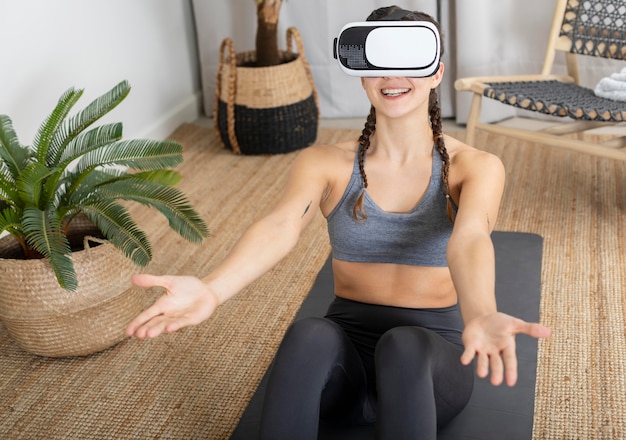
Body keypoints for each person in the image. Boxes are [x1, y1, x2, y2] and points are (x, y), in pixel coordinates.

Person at [126, 5, 551, 439]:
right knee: (307, 334)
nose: (392, 75)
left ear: (436, 72)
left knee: (403, 347)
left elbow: (472, 239)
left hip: (427, 365)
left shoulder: (474, 167)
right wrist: (212, 290)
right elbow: (281, 224)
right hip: (344, 368)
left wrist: (481, 313)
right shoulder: (326, 163)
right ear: (362, 72)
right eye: (378, 62)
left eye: (407, 60)